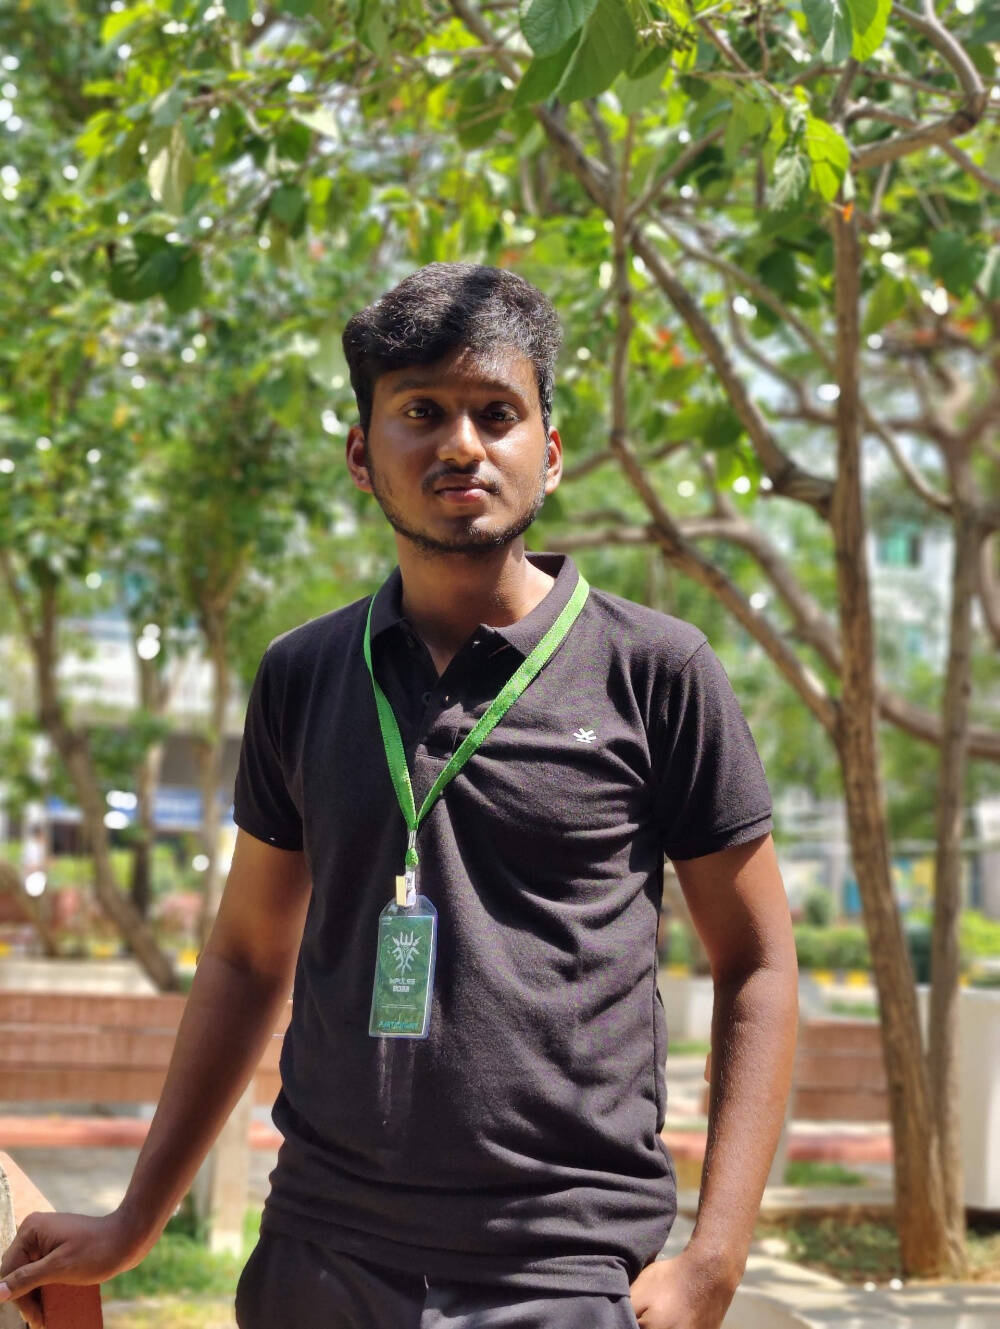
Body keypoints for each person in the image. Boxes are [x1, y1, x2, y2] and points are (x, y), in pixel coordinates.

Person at [0, 263, 798, 1329]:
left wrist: (714, 1256)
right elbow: (244, 957)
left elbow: (756, 962)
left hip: (560, 1267)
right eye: (421, 412)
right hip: (322, 1254)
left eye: (496, 413)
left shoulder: (656, 671)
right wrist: (136, 1221)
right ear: (362, 458)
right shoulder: (304, 674)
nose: (461, 444)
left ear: (548, 453)